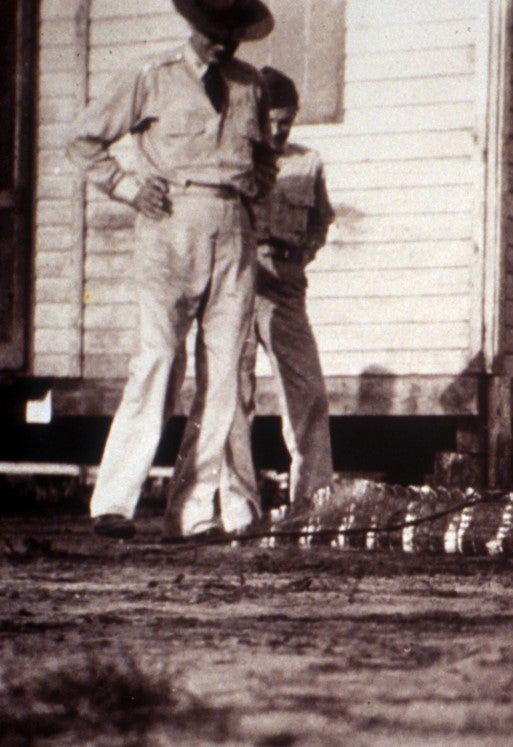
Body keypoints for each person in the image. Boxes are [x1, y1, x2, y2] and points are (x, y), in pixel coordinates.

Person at [67, 0, 275, 541]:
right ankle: (113, 502)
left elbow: (265, 160)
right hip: (169, 225)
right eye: (212, 31)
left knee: (224, 371)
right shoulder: (151, 78)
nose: (221, 43)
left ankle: (191, 511)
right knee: (159, 359)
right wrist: (129, 187)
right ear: (193, 24)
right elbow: (84, 139)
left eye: (230, 34)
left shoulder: (251, 84)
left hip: (234, 228)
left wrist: (257, 195)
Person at [225, 66, 335, 515]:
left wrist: (297, 260)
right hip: (237, 283)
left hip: (285, 286)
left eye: (286, 120)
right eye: (270, 119)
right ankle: (237, 511)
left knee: (307, 392)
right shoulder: (231, 158)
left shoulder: (308, 161)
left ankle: (311, 508)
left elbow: (322, 220)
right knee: (233, 395)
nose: (278, 128)